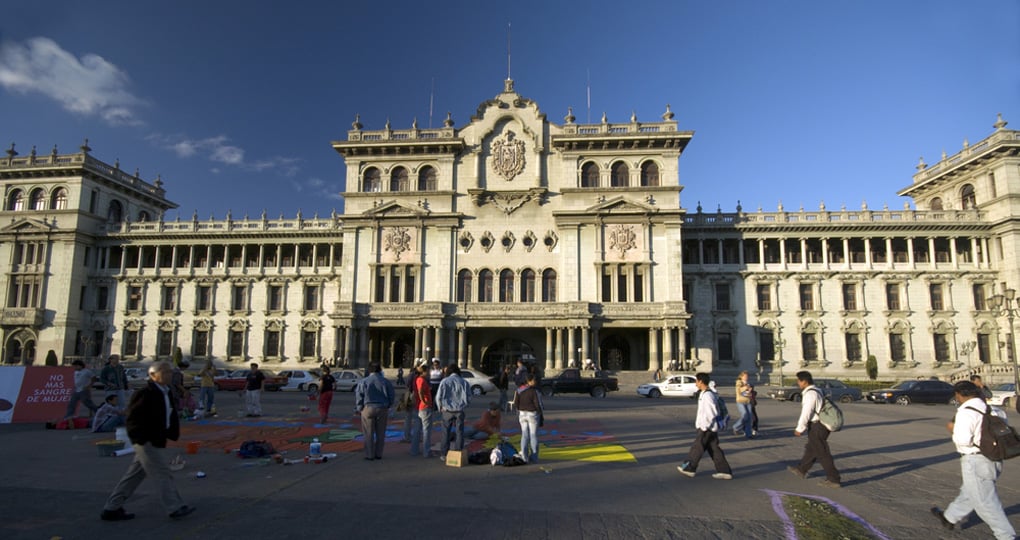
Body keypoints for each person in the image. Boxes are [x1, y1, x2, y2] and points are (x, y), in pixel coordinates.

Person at [100, 361, 195, 521]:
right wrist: (139, 438)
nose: (169, 375)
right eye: (164, 372)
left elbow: (169, 414)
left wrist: (170, 432)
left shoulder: (166, 392)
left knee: (134, 475)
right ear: (152, 375)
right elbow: (132, 417)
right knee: (162, 472)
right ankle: (175, 506)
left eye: (169, 372)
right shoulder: (145, 393)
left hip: (157, 437)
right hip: (146, 440)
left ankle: (112, 507)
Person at [931, 381, 1016, 540]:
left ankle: (1006, 536)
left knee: (985, 503)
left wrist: (954, 432)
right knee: (971, 491)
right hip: (995, 458)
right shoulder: (995, 410)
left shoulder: (965, 412)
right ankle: (950, 517)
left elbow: (963, 441)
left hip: (976, 460)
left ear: (958, 394)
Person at [788, 370, 841, 488]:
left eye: (799, 381)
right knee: (811, 449)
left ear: (804, 381)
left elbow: (807, 412)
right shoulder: (817, 390)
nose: (798, 383)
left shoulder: (810, 394)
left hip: (818, 425)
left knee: (822, 452)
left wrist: (800, 428)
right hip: (819, 425)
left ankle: (834, 478)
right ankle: (801, 469)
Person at [677, 372, 733, 480]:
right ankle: (724, 471)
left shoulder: (707, 395)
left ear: (701, 381)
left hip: (707, 427)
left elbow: (711, 412)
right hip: (709, 427)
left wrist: (704, 426)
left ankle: (689, 468)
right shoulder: (704, 393)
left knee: (697, 447)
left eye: (696, 381)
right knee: (714, 449)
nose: (695, 383)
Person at [355, 363, 395, 460]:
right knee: (380, 433)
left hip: (368, 408)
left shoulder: (364, 381)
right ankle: (379, 454)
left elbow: (359, 396)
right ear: (379, 370)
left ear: (369, 370)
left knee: (368, 433)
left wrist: (359, 408)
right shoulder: (385, 382)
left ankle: (369, 455)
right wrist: (388, 405)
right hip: (382, 408)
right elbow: (391, 395)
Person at [436, 363, 471, 458]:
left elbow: (438, 396)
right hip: (459, 410)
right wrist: (464, 405)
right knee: (459, 432)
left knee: (445, 432)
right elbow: (469, 397)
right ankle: (458, 452)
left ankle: (444, 453)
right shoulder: (464, 382)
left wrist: (440, 407)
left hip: (447, 410)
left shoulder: (444, 381)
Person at [516, 375, 543, 463]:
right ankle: (534, 457)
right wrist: (539, 413)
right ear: (529, 381)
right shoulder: (533, 391)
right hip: (532, 414)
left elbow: (516, 403)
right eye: (534, 380)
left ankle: (524, 456)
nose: (535, 382)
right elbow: (537, 404)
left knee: (524, 435)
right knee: (533, 435)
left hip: (522, 414)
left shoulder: (519, 390)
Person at [410, 364, 434, 457]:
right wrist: (425, 401)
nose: (429, 373)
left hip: (418, 407)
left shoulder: (417, 379)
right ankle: (426, 451)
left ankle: (414, 450)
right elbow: (420, 391)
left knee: (417, 429)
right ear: (423, 371)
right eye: (428, 371)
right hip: (424, 407)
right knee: (426, 430)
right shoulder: (421, 380)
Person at [733, 371, 754, 438]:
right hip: (740, 401)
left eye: (747, 376)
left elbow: (749, 392)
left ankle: (749, 434)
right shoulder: (739, 383)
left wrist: (750, 390)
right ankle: (736, 427)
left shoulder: (748, 383)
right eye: (745, 376)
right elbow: (739, 390)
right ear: (741, 376)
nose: (746, 377)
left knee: (749, 418)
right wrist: (746, 387)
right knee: (745, 416)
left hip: (748, 401)